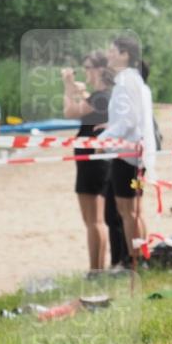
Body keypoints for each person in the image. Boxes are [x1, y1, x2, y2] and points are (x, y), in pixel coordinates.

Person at [98, 35, 157, 265]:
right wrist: (110, 128)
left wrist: (103, 139)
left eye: (112, 51)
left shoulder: (126, 80)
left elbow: (129, 121)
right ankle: (137, 257)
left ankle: (135, 259)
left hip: (128, 154)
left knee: (128, 211)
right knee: (132, 211)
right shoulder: (130, 79)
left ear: (125, 55)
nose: (108, 55)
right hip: (133, 152)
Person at [62, 51, 116, 271]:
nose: (86, 72)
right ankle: (97, 268)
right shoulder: (102, 95)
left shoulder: (102, 96)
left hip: (94, 159)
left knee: (94, 220)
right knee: (94, 219)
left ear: (100, 70)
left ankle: (96, 270)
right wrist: (79, 91)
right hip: (93, 157)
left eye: (88, 68)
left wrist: (67, 86)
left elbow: (70, 112)